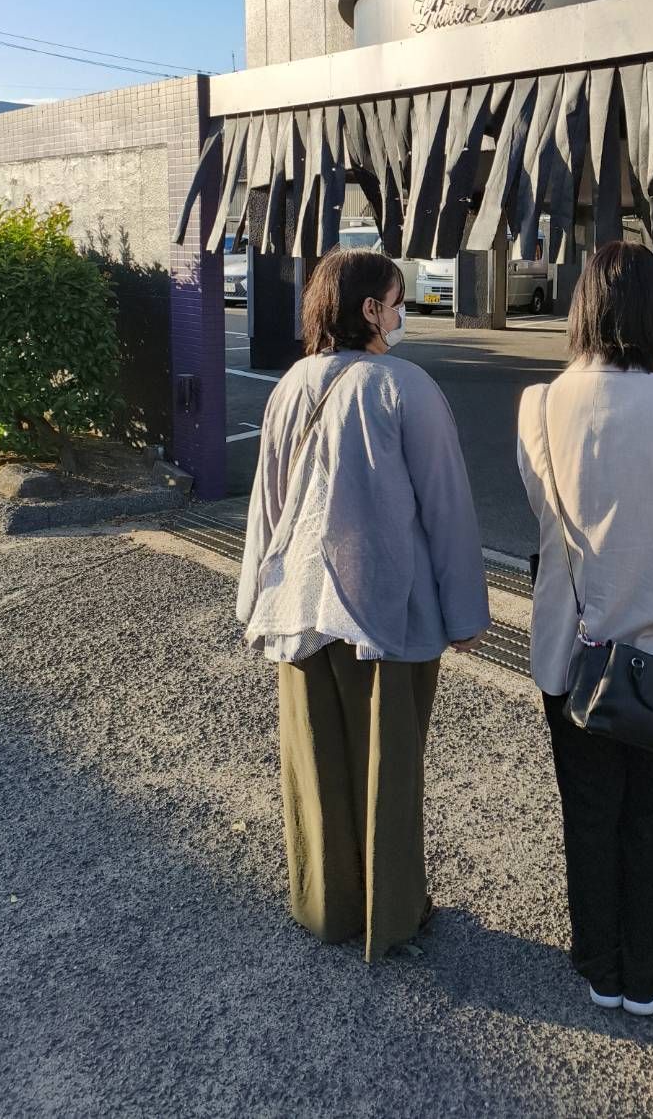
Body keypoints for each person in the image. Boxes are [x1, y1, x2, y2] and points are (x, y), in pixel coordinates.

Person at [238, 245, 489, 960]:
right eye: (396, 300)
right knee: (391, 769)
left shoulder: (291, 384)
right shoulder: (406, 387)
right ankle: (393, 912)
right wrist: (464, 614)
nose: (401, 313)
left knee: (317, 764)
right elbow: (446, 508)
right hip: (389, 615)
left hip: (299, 611)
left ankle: (327, 905)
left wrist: (253, 599)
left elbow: (267, 505)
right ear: (371, 309)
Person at [516, 240, 653, 1016]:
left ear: (581, 307)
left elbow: (541, 503)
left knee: (589, 812)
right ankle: (649, 971)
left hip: (572, 655)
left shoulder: (537, 405)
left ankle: (600, 966)